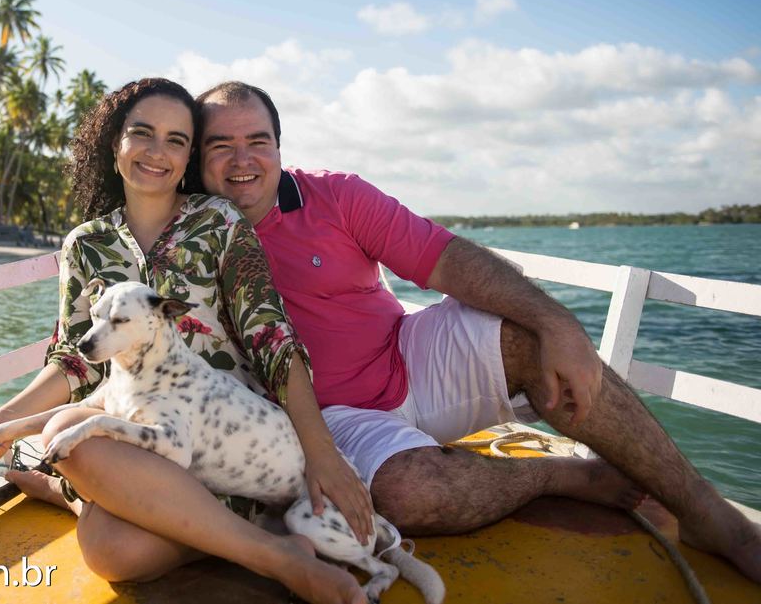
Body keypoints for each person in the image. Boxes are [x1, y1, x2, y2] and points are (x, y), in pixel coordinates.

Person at [195, 79, 761, 584]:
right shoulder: (188, 239)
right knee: (409, 497)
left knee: (532, 342)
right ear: (199, 157)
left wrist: (556, 322)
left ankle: (709, 513)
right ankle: (552, 477)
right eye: (222, 145)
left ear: (278, 146)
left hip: (406, 354)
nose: (243, 159)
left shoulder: (335, 195)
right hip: (329, 418)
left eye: (258, 140)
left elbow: (447, 260)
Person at [0, 78, 371, 604]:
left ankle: (73, 491)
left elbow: (273, 338)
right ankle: (276, 552)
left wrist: (320, 450)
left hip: (221, 439)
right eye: (141, 133)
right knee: (88, 489)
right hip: (139, 433)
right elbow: (73, 362)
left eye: (176, 140)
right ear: (115, 142)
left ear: (189, 155)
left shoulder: (219, 222)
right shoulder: (86, 244)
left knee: (111, 542)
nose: (156, 151)